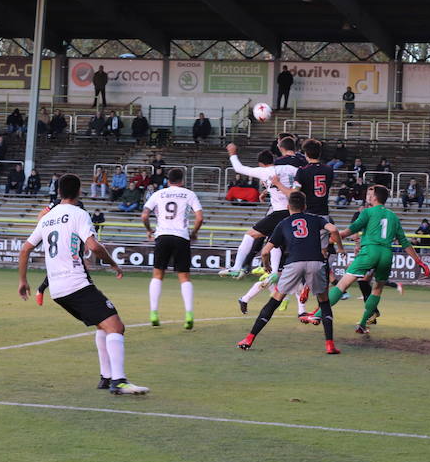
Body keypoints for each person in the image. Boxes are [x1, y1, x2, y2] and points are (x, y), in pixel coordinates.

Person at [18, 174, 149, 395]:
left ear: (58, 192)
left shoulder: (47, 218)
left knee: (103, 324)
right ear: (79, 191)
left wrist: (23, 281)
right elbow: (94, 247)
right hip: (76, 283)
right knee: (116, 326)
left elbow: (25, 249)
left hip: (58, 290)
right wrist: (113, 264)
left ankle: (106, 378)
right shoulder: (79, 214)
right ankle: (119, 381)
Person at [304, 185, 430, 333]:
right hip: (386, 254)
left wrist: (330, 239)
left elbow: (347, 231)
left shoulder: (367, 212)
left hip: (370, 251)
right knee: (377, 289)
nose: (367, 196)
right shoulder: (393, 216)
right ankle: (363, 324)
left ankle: (318, 315)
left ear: (375, 197)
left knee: (342, 285)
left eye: (369, 193)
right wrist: (419, 262)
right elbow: (405, 242)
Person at [237, 191, 345, 354]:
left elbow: (266, 251)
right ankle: (330, 345)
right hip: (316, 263)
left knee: (275, 301)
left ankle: (249, 338)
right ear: (305, 207)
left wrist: (267, 266)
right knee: (324, 302)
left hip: (293, 264)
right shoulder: (316, 219)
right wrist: (340, 248)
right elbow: (334, 229)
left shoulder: (283, 223)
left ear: (288, 207)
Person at [219, 142, 298, 279]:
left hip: (280, 212)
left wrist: (232, 152)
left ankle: (237, 267)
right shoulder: (290, 169)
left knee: (250, 235)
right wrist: (269, 189)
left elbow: (239, 168)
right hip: (294, 210)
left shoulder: (264, 171)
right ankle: (273, 273)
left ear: (261, 163)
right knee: (275, 242)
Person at [141, 168, 204, 329]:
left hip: (162, 236)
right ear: (182, 180)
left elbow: (144, 215)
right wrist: (194, 233)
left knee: (157, 275)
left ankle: (153, 312)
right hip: (181, 237)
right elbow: (199, 217)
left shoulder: (158, 194)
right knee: (184, 277)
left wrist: (149, 230)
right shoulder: (189, 194)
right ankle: (189, 314)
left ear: (167, 181)